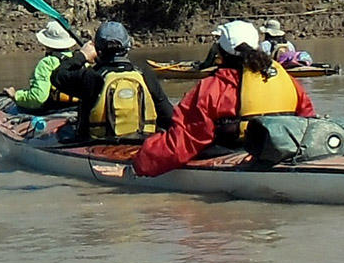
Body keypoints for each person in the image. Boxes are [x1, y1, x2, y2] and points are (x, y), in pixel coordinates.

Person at [133, 20, 316, 177]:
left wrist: (140, 163)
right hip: (283, 152)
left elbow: (184, 139)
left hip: (233, 154)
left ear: (220, 52)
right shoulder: (284, 78)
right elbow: (307, 118)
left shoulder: (213, 88)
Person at [50, 21, 174, 142]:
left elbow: (57, 76)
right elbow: (168, 116)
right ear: (128, 47)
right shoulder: (145, 75)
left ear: (97, 50)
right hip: (141, 144)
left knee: (63, 130)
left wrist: (82, 55)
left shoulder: (91, 77)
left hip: (97, 147)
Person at [0, 20, 79, 113]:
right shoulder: (79, 60)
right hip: (75, 108)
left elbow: (38, 98)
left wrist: (16, 95)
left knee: (11, 109)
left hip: (52, 110)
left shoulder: (46, 64)